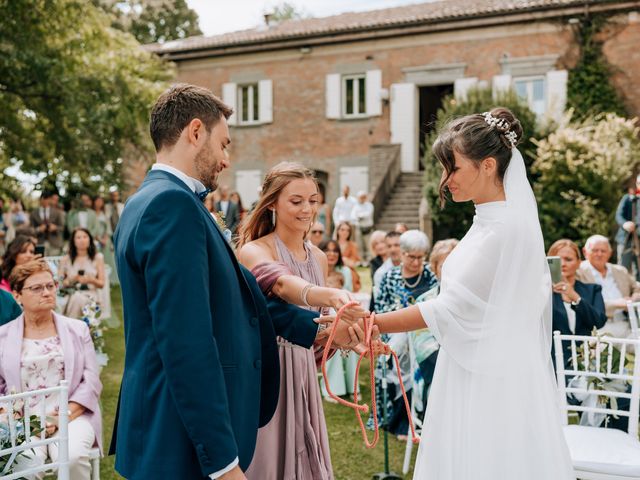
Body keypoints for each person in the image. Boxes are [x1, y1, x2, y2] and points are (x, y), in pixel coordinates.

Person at [109, 84, 358, 480]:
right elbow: (186, 341)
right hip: (178, 437)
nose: (226, 160)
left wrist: (323, 332)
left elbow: (237, 298)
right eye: (223, 144)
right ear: (195, 132)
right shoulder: (171, 206)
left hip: (168, 426)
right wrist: (224, 464)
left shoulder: (151, 200)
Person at [358, 108, 574, 479]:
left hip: (493, 381)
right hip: (470, 365)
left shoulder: (506, 229)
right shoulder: (487, 219)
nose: (445, 180)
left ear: (488, 165)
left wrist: (371, 323)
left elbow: (450, 308)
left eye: (453, 168)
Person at [237, 161, 366, 480]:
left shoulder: (319, 257)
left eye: (313, 200)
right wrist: (331, 296)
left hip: (304, 370)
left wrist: (345, 335)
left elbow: (315, 331)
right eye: (296, 201)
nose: (307, 209)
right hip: (267, 371)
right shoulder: (255, 250)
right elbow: (279, 283)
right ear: (272, 204)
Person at [0, 259, 102, 479]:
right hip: (22, 422)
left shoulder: (77, 329)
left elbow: (91, 379)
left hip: (71, 415)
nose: (46, 292)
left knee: (72, 457)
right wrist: (13, 417)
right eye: (37, 288)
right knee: (25, 464)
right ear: (17, 295)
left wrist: (64, 415)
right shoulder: (3, 336)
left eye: (50, 285)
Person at [373, 229, 438, 438]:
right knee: (397, 366)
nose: (417, 262)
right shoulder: (388, 277)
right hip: (396, 336)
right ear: (402, 254)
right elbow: (381, 310)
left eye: (421, 257)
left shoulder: (430, 274)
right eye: (412, 257)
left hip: (425, 336)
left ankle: (426, 418)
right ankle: (401, 422)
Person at [547, 238, 606, 356]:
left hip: (584, 359)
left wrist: (575, 297)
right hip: (551, 360)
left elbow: (598, 322)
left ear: (579, 263)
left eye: (568, 259)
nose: (563, 264)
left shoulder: (593, 289)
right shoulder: (544, 292)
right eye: (558, 260)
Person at [577, 234, 640, 337]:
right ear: (585, 252)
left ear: (610, 253)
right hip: (596, 329)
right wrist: (617, 304)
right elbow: (583, 302)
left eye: (603, 251)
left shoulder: (620, 270)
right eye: (595, 250)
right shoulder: (578, 272)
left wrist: (633, 299)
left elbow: (637, 287)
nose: (599, 254)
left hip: (625, 324)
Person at [58, 228, 106, 319]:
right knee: (76, 297)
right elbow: (60, 284)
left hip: (91, 295)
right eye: (78, 237)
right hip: (69, 294)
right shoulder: (65, 259)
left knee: (77, 298)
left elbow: (101, 284)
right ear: (73, 241)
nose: (82, 240)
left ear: (89, 240)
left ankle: (71, 326)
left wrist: (90, 280)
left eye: (85, 237)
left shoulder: (97, 258)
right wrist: (73, 279)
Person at [615, 175, 640, 279]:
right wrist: (625, 224)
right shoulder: (628, 198)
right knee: (622, 267)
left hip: (639, 240)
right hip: (626, 239)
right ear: (637, 184)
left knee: (638, 269)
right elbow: (618, 215)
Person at [29, 191, 65, 256]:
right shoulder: (33, 213)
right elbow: (30, 229)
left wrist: (55, 228)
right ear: (40, 199)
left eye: (47, 199)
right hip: (39, 243)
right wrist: (38, 229)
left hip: (55, 243)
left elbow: (62, 227)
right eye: (44, 199)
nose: (45, 201)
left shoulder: (57, 212)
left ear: (50, 200)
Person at [351, 191, 374, 262]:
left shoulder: (369, 205)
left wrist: (359, 216)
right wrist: (359, 216)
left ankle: (370, 260)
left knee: (368, 245)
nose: (362, 199)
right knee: (359, 245)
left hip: (368, 228)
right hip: (359, 228)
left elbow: (367, 215)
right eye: (361, 197)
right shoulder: (356, 206)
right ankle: (361, 261)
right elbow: (353, 216)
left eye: (363, 197)